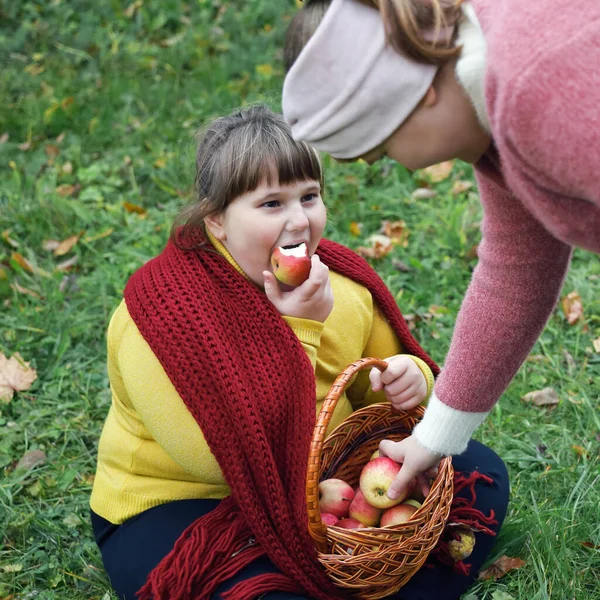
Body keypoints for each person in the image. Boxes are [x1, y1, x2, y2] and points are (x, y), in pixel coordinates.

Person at [89, 105, 508, 600]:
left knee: (481, 474)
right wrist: (298, 332)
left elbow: (390, 408)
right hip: (195, 504)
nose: (299, 219)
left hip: (324, 481)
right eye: (271, 203)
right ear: (217, 221)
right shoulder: (160, 319)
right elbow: (226, 461)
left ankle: (367, 578)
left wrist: (409, 377)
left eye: (309, 196)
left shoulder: (343, 288)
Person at [281, 0, 600, 500]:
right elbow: (515, 272)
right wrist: (434, 435)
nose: (399, 166)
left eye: (383, 150)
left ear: (417, 93)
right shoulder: (489, 113)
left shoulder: (536, 87)